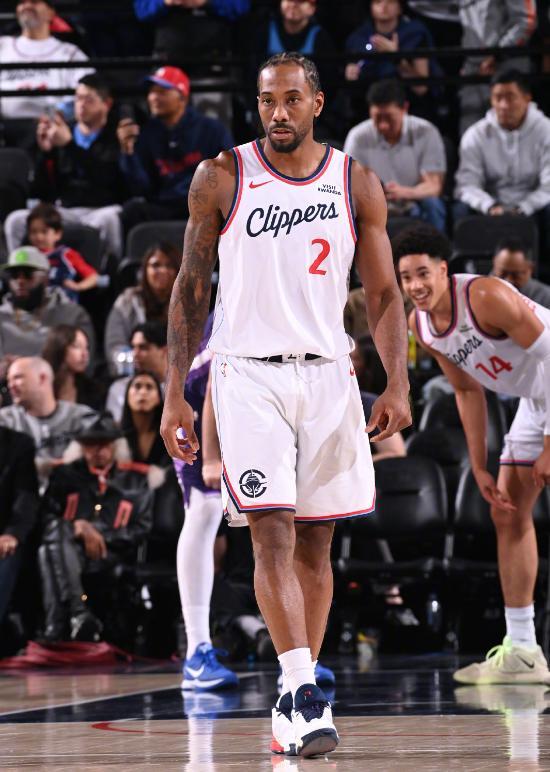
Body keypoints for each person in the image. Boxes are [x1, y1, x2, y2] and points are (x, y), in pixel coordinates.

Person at [160, 52, 411, 758]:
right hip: (248, 376)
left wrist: (397, 381)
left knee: (317, 541)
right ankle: (303, 690)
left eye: (291, 99)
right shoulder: (222, 175)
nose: (277, 111)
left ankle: (291, 695)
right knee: (270, 531)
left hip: (329, 375)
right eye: (267, 99)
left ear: (317, 103)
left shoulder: (355, 181)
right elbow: (190, 286)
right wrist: (177, 392)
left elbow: (384, 293)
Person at [394, 222, 550, 685]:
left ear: (444, 270)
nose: (415, 286)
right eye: (406, 278)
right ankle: (523, 650)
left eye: (423, 274)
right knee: (507, 512)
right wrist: (479, 464)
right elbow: (466, 391)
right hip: (535, 400)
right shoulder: (421, 325)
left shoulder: (485, 297)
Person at [38, 413, 154, 641]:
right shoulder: (65, 476)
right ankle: (78, 613)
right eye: (91, 444)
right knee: (52, 542)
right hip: (70, 548)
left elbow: (141, 529)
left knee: (47, 553)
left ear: (114, 445)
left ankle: (61, 623)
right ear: (81, 446)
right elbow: (46, 517)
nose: (98, 450)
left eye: (104, 443)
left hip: (111, 553)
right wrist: (76, 527)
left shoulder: (136, 480)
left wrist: (98, 534)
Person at [173, 313, 239, 691]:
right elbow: (218, 377)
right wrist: (212, 456)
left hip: (256, 397)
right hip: (199, 395)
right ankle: (197, 651)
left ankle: (296, 656)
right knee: (205, 509)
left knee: (281, 516)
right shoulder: (248, 288)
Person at [4, 75, 126, 259]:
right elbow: (41, 191)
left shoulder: (116, 135)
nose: (81, 105)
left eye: (89, 99)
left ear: (106, 103)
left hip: (100, 209)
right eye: (78, 98)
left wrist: (69, 146)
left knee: (109, 219)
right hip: (64, 211)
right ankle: (21, 270)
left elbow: (107, 179)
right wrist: (45, 153)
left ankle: (108, 273)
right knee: (16, 220)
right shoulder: (63, 132)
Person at [117, 66, 234, 236]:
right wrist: (128, 153)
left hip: (202, 203)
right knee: (131, 211)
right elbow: (142, 188)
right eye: (151, 92)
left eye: (162, 92)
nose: (153, 97)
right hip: (164, 204)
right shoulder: (147, 133)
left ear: (182, 97)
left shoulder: (211, 129)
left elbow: (230, 172)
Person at [454, 71, 550, 241]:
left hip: (534, 206)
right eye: (498, 98)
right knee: (460, 209)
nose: (504, 105)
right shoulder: (476, 134)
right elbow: (467, 184)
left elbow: (548, 186)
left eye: (511, 97)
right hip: (490, 207)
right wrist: (490, 206)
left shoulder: (546, 131)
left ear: (527, 98)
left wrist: (523, 208)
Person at [343, 79, 447, 232]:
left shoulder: (426, 132)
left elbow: (433, 187)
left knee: (433, 204)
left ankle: (435, 246)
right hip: (373, 202)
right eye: (377, 118)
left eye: (389, 118)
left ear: (404, 108)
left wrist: (404, 192)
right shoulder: (358, 136)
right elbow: (350, 185)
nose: (383, 125)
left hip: (414, 200)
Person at [0, 357, 95, 487]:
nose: (11, 385)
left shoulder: (82, 417)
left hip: (74, 492)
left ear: (42, 378)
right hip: (22, 494)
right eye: (9, 380)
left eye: (18, 377)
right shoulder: (5, 420)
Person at [0, 0, 92, 130]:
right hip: (4, 130)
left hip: (54, 129)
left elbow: (90, 89)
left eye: (34, 2)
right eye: (22, 2)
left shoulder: (69, 52)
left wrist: (59, 114)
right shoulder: (3, 45)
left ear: (51, 12)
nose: (27, 6)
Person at [0, 246, 95, 365]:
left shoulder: (72, 314)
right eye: (14, 275)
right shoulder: (2, 316)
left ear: (45, 278)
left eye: (28, 274)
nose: (20, 281)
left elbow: (85, 363)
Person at [458, 0, 537, 134]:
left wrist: (497, 55)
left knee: (514, 128)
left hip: (508, 64)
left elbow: (526, 21)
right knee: (471, 128)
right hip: (473, 65)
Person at [104, 243, 180, 373]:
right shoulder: (127, 301)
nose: (163, 270)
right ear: (144, 270)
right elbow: (115, 347)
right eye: (156, 265)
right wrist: (139, 364)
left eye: (169, 266)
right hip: (134, 374)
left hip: (180, 375)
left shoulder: (189, 305)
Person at [345, 0, 439, 100]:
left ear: (400, 8)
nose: (384, 6)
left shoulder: (415, 34)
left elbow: (421, 89)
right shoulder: (358, 38)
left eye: (390, 2)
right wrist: (351, 74)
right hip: (368, 101)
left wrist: (395, 57)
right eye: (378, 2)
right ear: (370, 7)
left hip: (407, 101)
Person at [0, 426, 40, 630]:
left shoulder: (18, 444)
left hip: (5, 534)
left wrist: (12, 534)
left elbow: (26, 497)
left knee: (6, 555)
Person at [26, 203, 100, 302]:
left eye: (44, 232)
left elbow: (94, 277)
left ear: (57, 234)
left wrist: (78, 286)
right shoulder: (26, 255)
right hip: (34, 305)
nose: (39, 237)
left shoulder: (67, 254)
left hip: (63, 305)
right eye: (34, 232)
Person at [106, 322, 168, 422]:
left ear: (164, 351)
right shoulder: (120, 388)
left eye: (143, 347)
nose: (135, 354)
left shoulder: (182, 387)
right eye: (133, 347)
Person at [42, 324, 103, 409]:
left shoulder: (92, 390)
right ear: (59, 347)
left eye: (87, 348)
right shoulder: (42, 386)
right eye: (77, 347)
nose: (84, 354)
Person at [121, 372, 170, 466]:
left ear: (159, 398)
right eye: (137, 386)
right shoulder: (116, 435)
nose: (143, 392)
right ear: (127, 396)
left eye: (149, 387)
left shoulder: (170, 433)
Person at [492, 238, 550, 309]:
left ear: (530, 268)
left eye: (516, 275)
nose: (508, 280)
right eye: (503, 273)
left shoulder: (546, 298)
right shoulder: (481, 290)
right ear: (494, 264)